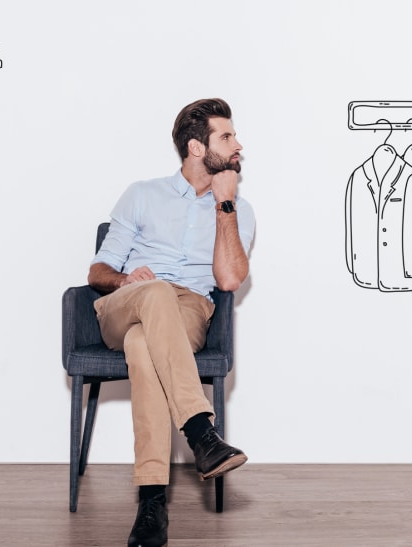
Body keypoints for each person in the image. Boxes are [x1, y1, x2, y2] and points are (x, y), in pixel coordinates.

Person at [88, 98, 255, 547]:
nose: (239, 144)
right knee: (155, 294)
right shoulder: (143, 194)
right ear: (197, 148)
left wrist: (225, 206)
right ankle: (201, 432)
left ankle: (151, 504)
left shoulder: (238, 211)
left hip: (188, 313)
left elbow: (230, 279)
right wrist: (128, 278)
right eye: (227, 136)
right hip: (128, 303)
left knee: (145, 347)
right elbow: (97, 273)